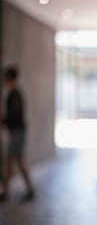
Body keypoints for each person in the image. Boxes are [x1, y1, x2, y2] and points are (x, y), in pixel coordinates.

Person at [0, 67, 34, 201]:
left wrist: (4, 121)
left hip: (17, 131)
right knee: (14, 161)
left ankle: (10, 190)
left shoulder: (15, 94)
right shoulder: (13, 93)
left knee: (14, 160)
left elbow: (15, 115)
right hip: (16, 130)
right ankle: (8, 190)